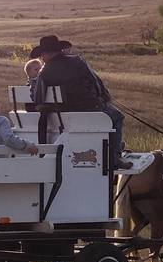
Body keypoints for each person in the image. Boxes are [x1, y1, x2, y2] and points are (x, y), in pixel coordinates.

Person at [30, 34, 131, 169]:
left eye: (42, 55)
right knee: (117, 116)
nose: (41, 59)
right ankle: (114, 156)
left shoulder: (44, 72)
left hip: (63, 115)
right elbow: (96, 82)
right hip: (90, 109)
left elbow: (37, 98)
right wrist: (103, 98)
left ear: (46, 54)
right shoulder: (78, 62)